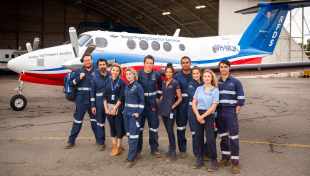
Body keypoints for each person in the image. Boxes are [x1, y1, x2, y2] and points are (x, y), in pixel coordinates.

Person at [217, 60, 245, 174]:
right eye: (221, 67)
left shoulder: (236, 82)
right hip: (219, 112)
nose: (223, 69)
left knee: (233, 137)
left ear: (229, 68)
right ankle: (225, 158)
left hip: (230, 111)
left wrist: (236, 109)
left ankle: (235, 163)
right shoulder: (216, 82)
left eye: (225, 67)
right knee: (223, 136)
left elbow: (241, 98)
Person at [65, 54, 98, 149]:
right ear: (83, 62)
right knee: (77, 120)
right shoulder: (78, 71)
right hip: (81, 99)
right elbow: (70, 83)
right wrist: (79, 78)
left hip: (93, 99)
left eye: (89, 60)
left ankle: (100, 141)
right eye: (85, 60)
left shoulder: (97, 71)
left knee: (95, 121)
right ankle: (71, 141)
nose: (87, 62)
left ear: (92, 60)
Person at [192, 69, 219, 172]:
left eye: (208, 76)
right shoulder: (199, 89)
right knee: (198, 138)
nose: (206, 78)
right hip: (198, 114)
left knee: (210, 139)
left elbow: (213, 107)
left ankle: (214, 160)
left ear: (211, 78)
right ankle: (200, 159)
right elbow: (194, 103)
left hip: (209, 115)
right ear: (202, 78)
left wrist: (202, 116)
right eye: (205, 76)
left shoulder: (215, 90)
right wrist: (198, 115)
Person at [137, 55, 162, 157]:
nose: (149, 65)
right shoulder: (138, 74)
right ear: (144, 63)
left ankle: (154, 149)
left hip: (152, 104)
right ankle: (138, 150)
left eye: (151, 63)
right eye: (147, 63)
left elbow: (160, 86)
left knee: (153, 128)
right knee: (139, 128)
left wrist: (158, 97)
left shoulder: (157, 74)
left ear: (153, 64)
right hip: (141, 104)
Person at [158, 63, 182, 161]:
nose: (168, 73)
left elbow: (180, 98)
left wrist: (173, 106)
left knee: (170, 130)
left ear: (173, 73)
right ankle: (170, 149)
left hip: (171, 110)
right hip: (163, 110)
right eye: (167, 72)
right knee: (168, 131)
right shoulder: (164, 82)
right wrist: (159, 101)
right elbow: (163, 95)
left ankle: (173, 152)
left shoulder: (175, 83)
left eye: (170, 72)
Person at [123, 68, 145, 168]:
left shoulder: (138, 86)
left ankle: (131, 158)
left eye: (130, 74)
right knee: (129, 134)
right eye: (127, 74)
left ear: (134, 75)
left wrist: (138, 113)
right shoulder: (127, 86)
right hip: (126, 114)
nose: (128, 76)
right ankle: (135, 153)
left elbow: (142, 101)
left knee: (134, 136)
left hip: (134, 115)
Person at [104, 64, 126, 156]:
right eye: (113, 70)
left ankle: (119, 146)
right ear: (111, 70)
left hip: (118, 108)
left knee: (119, 128)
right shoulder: (107, 81)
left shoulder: (122, 82)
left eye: (117, 70)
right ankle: (114, 145)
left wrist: (115, 108)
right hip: (108, 107)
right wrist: (106, 108)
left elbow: (121, 98)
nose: (115, 72)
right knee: (112, 127)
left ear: (119, 72)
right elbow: (104, 96)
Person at [174, 56, 192, 157]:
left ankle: (199, 151)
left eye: (187, 62)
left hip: (193, 104)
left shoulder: (195, 74)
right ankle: (182, 150)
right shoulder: (177, 76)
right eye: (183, 62)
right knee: (181, 128)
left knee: (196, 129)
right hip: (181, 106)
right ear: (181, 64)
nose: (185, 64)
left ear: (190, 63)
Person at [90, 58, 110, 151]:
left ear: (106, 65)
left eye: (103, 64)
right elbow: (92, 92)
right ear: (98, 66)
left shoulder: (111, 75)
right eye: (100, 65)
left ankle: (117, 143)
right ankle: (101, 142)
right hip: (99, 102)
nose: (102, 66)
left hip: (110, 102)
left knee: (114, 123)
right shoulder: (94, 76)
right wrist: (93, 105)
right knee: (100, 123)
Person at [187, 66, 202, 158]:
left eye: (197, 73)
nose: (196, 75)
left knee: (202, 132)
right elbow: (196, 98)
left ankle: (202, 151)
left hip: (203, 110)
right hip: (193, 110)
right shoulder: (190, 85)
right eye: (194, 73)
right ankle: (197, 154)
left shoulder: (204, 82)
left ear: (200, 74)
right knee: (195, 133)